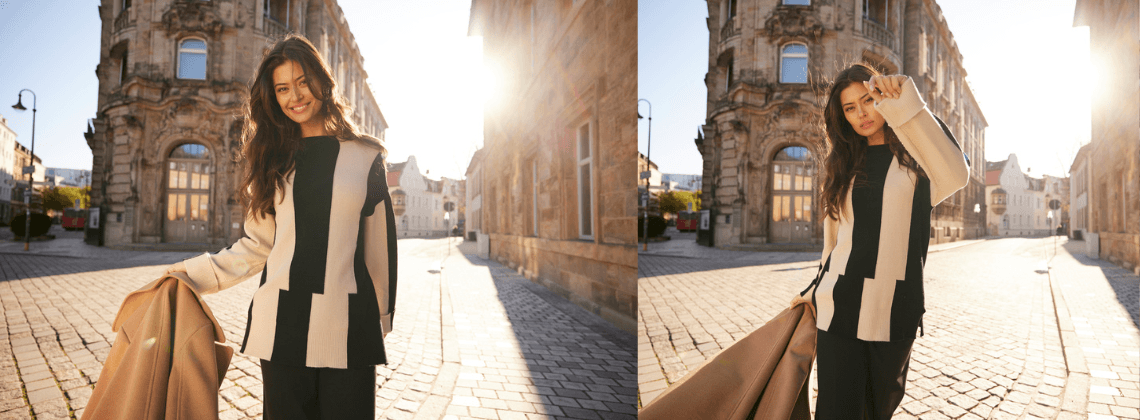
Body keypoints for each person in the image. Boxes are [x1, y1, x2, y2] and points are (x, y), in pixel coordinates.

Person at [164, 34, 397, 420]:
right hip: (281, 329)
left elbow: (380, 251)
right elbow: (257, 245)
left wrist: (382, 318)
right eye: (283, 88)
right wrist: (190, 275)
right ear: (273, 97)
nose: (296, 96)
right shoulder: (271, 157)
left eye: (303, 82)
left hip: (351, 328)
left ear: (323, 81)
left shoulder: (366, 156)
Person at [795, 63, 969, 418]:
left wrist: (904, 101)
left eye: (868, 100)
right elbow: (834, 241)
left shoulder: (916, 152)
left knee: (876, 413)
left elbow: (957, 174)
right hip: (839, 304)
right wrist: (815, 289)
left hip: (895, 309)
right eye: (850, 108)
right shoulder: (842, 162)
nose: (861, 114)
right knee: (834, 412)